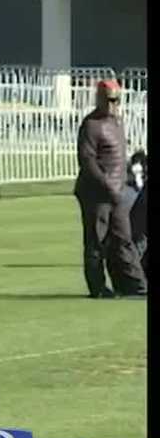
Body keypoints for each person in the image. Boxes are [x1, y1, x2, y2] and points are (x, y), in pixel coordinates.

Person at [74, 80, 147, 298]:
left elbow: (119, 157)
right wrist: (107, 185)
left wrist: (125, 180)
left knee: (123, 239)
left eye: (117, 100)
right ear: (99, 99)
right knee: (96, 241)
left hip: (118, 193)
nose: (113, 104)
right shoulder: (91, 125)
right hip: (96, 194)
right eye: (109, 100)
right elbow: (87, 161)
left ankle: (135, 284)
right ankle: (97, 287)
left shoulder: (117, 122)